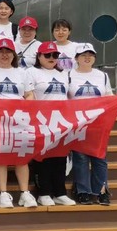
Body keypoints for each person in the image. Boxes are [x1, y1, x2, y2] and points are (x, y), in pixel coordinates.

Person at [0, 38, 37, 209]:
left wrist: (22, 106)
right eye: (1, 52)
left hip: (19, 119)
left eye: (8, 52)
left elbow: (30, 95)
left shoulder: (22, 73)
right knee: (1, 155)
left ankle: (25, 192)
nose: (4, 55)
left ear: (13, 55)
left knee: (21, 156)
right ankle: (3, 193)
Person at [69, 43, 117, 206]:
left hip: (99, 121)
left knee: (99, 157)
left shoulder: (102, 76)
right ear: (76, 58)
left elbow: (108, 96)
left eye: (90, 55)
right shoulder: (69, 75)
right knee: (80, 157)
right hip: (78, 122)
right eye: (83, 55)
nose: (87, 58)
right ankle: (83, 191)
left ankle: (101, 190)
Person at [26, 41, 76, 206]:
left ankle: (60, 192)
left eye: (55, 55)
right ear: (39, 56)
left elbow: (69, 96)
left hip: (61, 120)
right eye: (47, 55)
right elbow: (29, 95)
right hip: (41, 120)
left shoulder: (63, 74)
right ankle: (43, 192)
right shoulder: (31, 72)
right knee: (43, 157)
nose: (51, 58)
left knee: (60, 157)